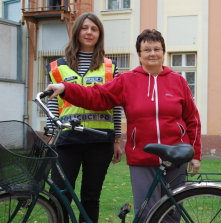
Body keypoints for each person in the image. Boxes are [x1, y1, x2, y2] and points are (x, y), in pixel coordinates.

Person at [46, 29, 202, 222]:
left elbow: (192, 119)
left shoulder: (178, 80)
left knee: (173, 212)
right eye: (146, 50)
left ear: (163, 52)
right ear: (139, 54)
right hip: (142, 157)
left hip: (176, 156)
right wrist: (66, 88)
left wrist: (195, 154)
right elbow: (98, 96)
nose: (152, 53)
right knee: (146, 214)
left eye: (157, 49)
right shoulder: (127, 80)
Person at [46, 12, 122, 223]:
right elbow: (53, 104)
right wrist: (51, 137)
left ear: (100, 34)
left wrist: (117, 139)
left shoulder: (110, 67)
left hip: (100, 140)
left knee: (91, 198)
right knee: (60, 196)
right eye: (85, 28)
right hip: (66, 140)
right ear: (77, 31)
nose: (89, 32)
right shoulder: (57, 66)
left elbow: (116, 106)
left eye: (94, 29)